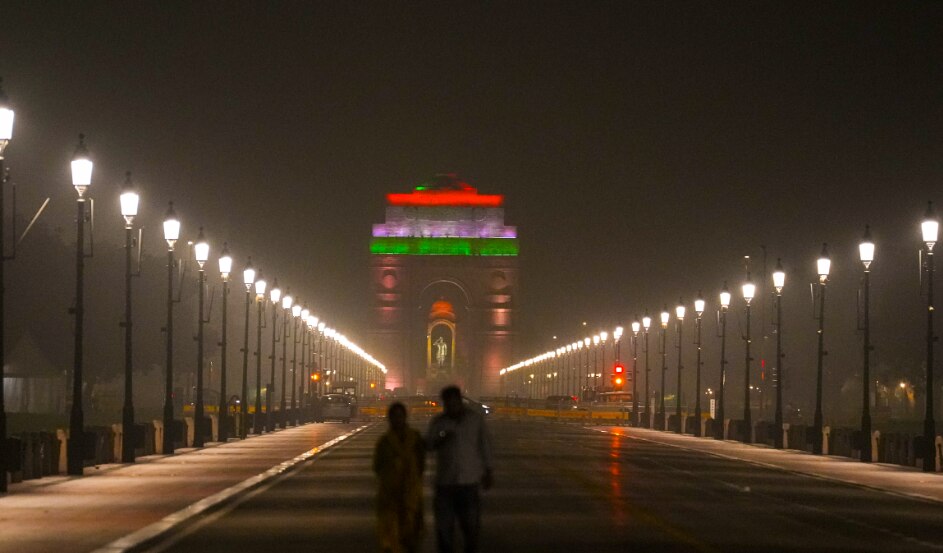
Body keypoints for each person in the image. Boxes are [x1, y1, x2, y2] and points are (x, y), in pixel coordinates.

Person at [427, 386, 494, 553]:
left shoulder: (475, 420)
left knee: (471, 530)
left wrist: (488, 470)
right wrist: (441, 439)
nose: (450, 406)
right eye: (447, 403)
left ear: (460, 401)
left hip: (468, 482)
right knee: (444, 531)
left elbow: (484, 446)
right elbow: (428, 445)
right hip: (445, 483)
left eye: (453, 402)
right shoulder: (439, 422)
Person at [373, 402, 426, 553]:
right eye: (395, 417)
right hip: (390, 494)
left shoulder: (413, 438)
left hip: (410, 493)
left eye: (400, 416)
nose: (397, 420)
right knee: (391, 535)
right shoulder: (385, 442)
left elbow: (377, 467)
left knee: (410, 534)